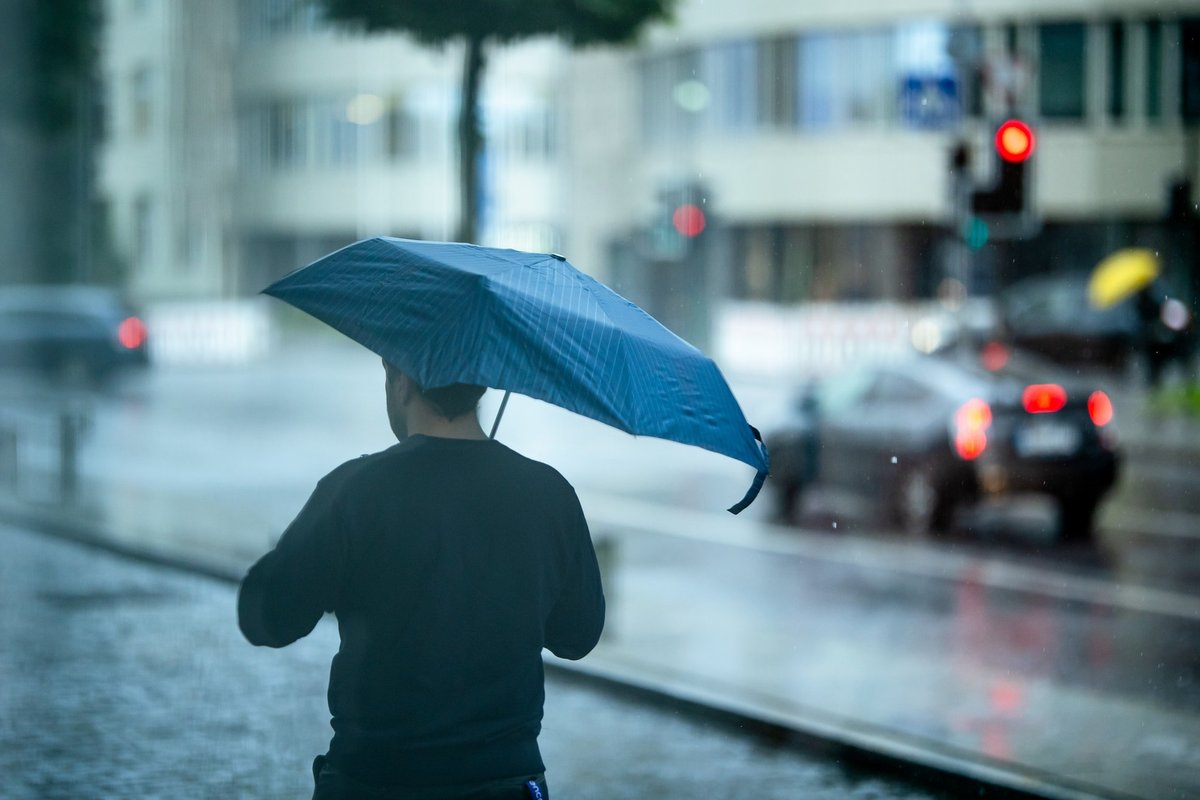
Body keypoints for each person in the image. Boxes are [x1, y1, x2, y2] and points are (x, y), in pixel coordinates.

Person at [238, 359, 606, 799]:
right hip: (506, 781)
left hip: (374, 780)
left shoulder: (354, 489)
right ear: (483, 387)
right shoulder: (549, 493)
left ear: (401, 382)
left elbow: (270, 619)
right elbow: (577, 635)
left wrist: (293, 551)